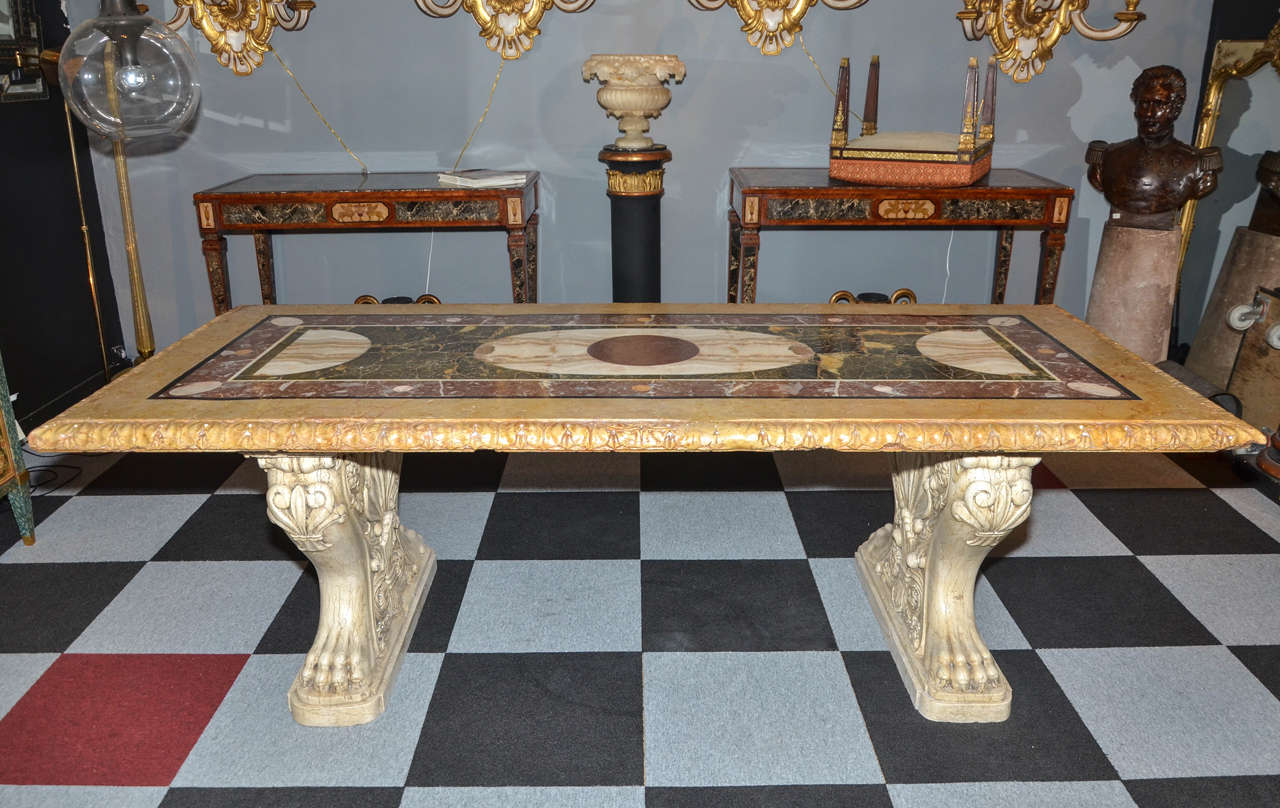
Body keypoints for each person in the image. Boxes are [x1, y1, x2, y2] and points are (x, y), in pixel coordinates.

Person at [1085, 65, 1222, 218]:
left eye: (1159, 104)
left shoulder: (1196, 164)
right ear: (1135, 107)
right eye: (1144, 103)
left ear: (1175, 109)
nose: (1150, 113)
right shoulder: (1108, 157)